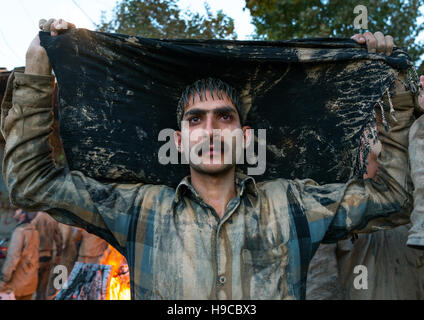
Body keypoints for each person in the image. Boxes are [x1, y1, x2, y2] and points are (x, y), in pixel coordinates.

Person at [0, 18, 422, 300]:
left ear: (243, 136)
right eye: (195, 119)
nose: (211, 129)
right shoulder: (139, 209)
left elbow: (391, 198)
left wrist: (394, 91)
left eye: (224, 116)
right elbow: (31, 183)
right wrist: (37, 72)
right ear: (180, 141)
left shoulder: (293, 205)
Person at [0, 209, 39, 300]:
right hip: (30, 282)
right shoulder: (34, 231)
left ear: (23, 215)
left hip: (17, 284)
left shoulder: (20, 231)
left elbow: (13, 258)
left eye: (18, 210)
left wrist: (3, 280)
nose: (16, 211)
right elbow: (28, 252)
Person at [31, 211, 62, 300]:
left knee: (32, 289)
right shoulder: (52, 219)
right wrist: (58, 255)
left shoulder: (34, 218)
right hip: (48, 256)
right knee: (42, 289)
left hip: (36, 257)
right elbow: (59, 239)